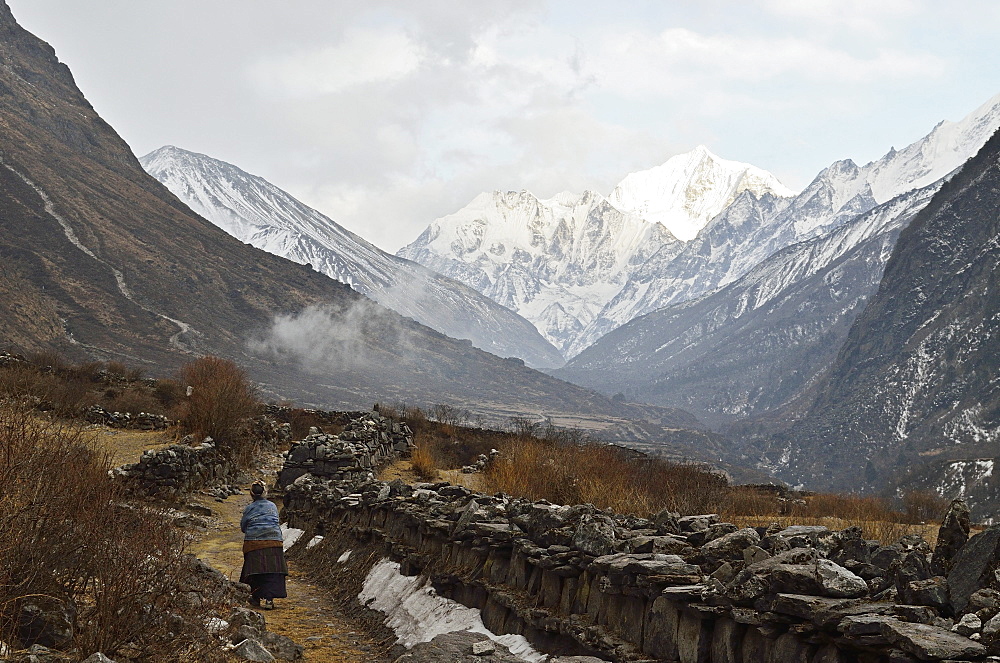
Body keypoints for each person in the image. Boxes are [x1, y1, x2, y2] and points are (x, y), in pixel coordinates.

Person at [239, 481, 287, 609]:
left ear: (252, 494)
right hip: (274, 541)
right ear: (264, 492)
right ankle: (269, 600)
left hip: (254, 543)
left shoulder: (249, 508)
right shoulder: (272, 506)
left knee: (255, 571)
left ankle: (255, 598)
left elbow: (243, 527)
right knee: (272, 571)